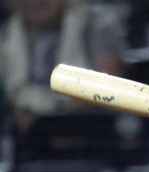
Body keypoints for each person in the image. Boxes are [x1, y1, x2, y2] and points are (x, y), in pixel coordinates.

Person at [0, 0, 127, 131]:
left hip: (88, 128)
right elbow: (10, 92)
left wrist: (56, 119)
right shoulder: (6, 33)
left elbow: (106, 85)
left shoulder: (96, 22)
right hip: (26, 134)